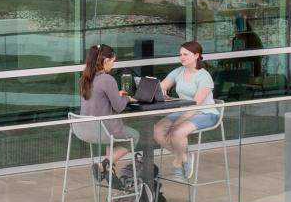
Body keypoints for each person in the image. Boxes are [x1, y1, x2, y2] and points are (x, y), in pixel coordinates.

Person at [153, 42, 218, 182]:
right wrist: (161, 92)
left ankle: (177, 163)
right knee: (158, 130)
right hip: (184, 110)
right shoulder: (178, 72)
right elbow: (159, 88)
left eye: (185, 54)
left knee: (177, 132)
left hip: (205, 112)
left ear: (196, 56)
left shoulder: (204, 76)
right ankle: (184, 157)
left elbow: (195, 105)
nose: (181, 57)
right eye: (180, 54)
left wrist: (176, 123)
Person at [79, 44, 139, 187]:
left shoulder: (85, 78)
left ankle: (109, 171)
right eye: (113, 61)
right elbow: (118, 107)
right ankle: (103, 165)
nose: (113, 64)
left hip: (85, 129)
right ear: (106, 61)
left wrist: (116, 95)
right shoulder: (107, 79)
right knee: (134, 135)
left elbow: (98, 98)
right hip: (102, 130)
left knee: (112, 138)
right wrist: (126, 98)